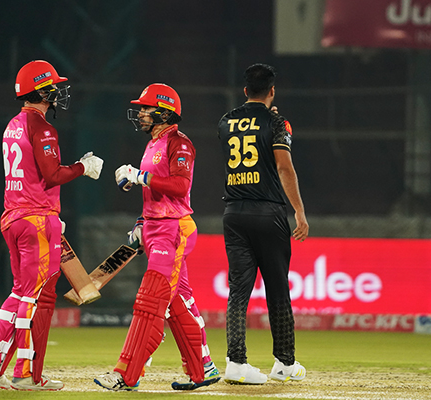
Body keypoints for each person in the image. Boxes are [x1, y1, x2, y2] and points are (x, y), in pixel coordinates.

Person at [0, 60, 104, 391]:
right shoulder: (42, 127)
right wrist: (82, 167)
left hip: (13, 216)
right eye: (53, 88)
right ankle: (26, 373)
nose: (58, 94)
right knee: (33, 297)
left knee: (19, 292)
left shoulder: (13, 124)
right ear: (42, 91)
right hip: (36, 219)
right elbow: (52, 174)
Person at [94, 83, 220, 391]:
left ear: (164, 112)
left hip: (173, 230)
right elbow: (154, 194)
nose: (140, 114)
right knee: (177, 303)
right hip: (155, 228)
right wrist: (141, 222)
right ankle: (202, 369)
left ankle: (126, 374)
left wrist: (140, 176)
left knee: (149, 303)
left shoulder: (180, 143)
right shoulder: (153, 143)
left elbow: (179, 186)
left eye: (146, 109)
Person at [217, 63, 309, 384]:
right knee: (277, 288)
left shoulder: (226, 121)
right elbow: (284, 168)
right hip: (267, 213)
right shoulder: (277, 122)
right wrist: (298, 211)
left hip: (233, 214)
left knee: (238, 291)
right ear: (272, 90)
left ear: (245, 91)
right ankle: (284, 363)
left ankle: (236, 362)